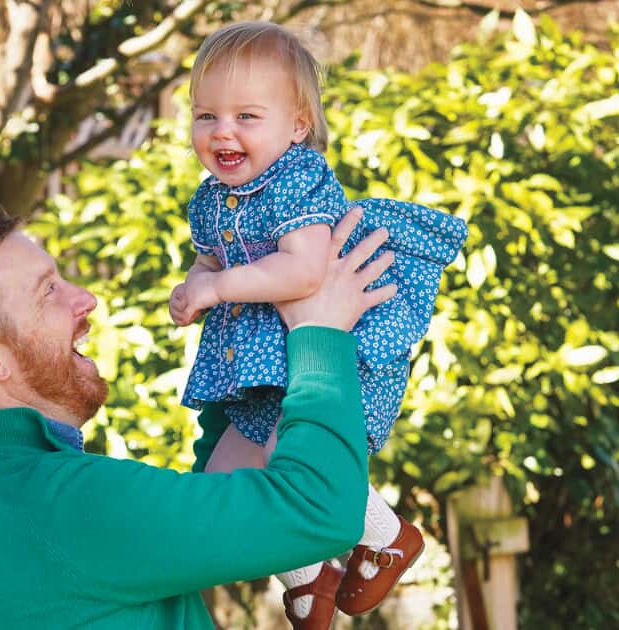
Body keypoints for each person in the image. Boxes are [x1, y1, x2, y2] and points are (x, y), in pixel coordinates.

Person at [0, 208, 394, 629]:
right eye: (47, 292)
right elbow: (320, 508)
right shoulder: (61, 502)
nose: (86, 299)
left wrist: (243, 337)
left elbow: (216, 495)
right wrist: (322, 332)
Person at [168, 22, 468, 627]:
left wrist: (220, 286)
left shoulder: (297, 179)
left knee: (297, 464)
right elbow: (210, 258)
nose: (222, 131)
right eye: (206, 116)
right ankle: (312, 574)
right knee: (224, 479)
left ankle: (387, 535)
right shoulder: (210, 198)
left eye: (247, 116)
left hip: (326, 354)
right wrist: (193, 287)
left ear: (298, 126)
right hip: (262, 366)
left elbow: (305, 270)